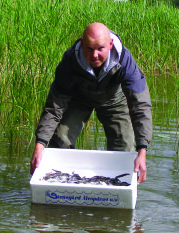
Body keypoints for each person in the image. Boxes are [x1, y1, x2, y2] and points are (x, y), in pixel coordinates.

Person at [30, 22, 152, 183]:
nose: (94, 55)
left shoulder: (125, 61)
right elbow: (54, 107)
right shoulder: (70, 61)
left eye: (100, 49)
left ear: (110, 45)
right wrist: (40, 145)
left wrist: (142, 151)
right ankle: (62, 188)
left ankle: (117, 195)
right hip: (79, 98)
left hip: (114, 100)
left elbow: (140, 106)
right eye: (89, 48)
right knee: (60, 138)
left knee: (124, 147)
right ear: (81, 44)